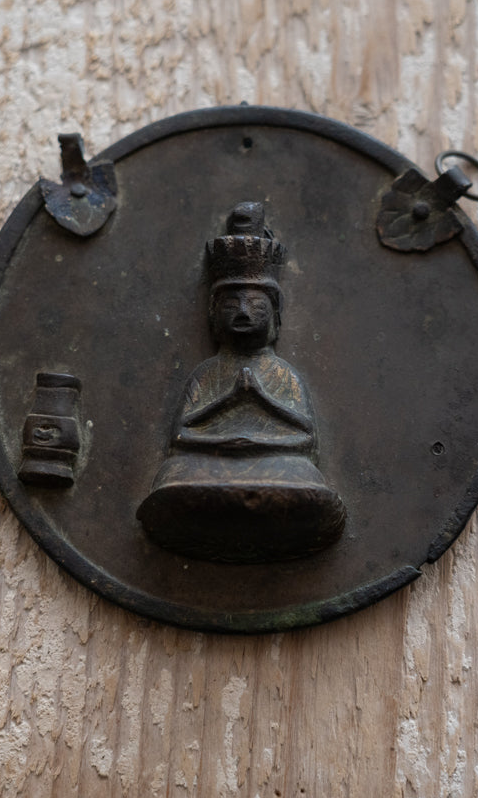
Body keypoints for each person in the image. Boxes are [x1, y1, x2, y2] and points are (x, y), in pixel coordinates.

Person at [137, 202, 346, 563]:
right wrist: (230, 400)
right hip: (206, 463)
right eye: (232, 305)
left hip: (277, 462)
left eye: (257, 307)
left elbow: (305, 438)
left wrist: (260, 399)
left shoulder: (283, 374)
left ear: (275, 317)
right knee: (175, 472)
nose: (245, 313)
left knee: (302, 474)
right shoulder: (207, 372)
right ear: (214, 314)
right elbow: (181, 436)